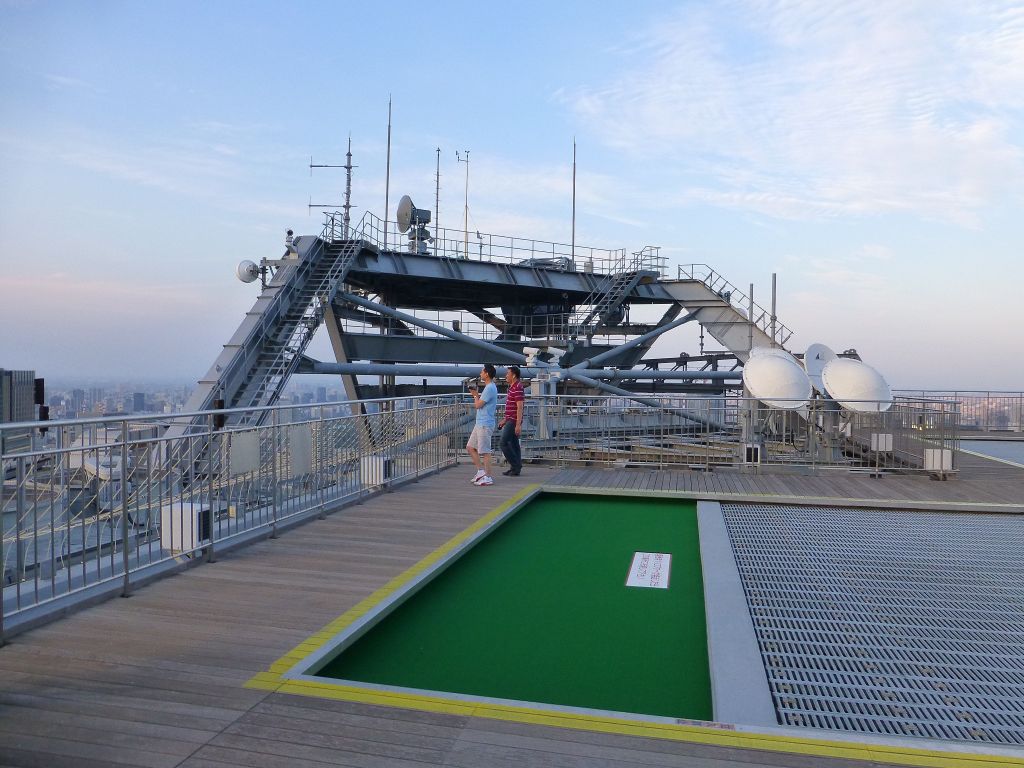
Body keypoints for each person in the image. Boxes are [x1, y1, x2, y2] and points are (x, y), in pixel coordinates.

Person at [466, 363, 498, 486]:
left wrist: (475, 395)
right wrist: (477, 396)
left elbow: (478, 405)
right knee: (470, 447)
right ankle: (480, 471)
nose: (480, 373)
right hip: (480, 423)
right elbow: (481, 403)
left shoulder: (490, 388)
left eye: (482, 371)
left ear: (487, 374)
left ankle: (488, 477)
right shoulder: (489, 387)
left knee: (485, 451)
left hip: (485, 423)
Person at [499, 365, 524, 476]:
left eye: (507, 373)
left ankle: (515, 465)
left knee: (503, 442)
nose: (506, 376)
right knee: (514, 444)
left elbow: (520, 406)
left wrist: (518, 424)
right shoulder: (513, 387)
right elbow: (512, 406)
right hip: (510, 419)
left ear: (513, 375)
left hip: (514, 420)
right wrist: (504, 420)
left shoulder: (518, 387)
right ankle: (516, 467)